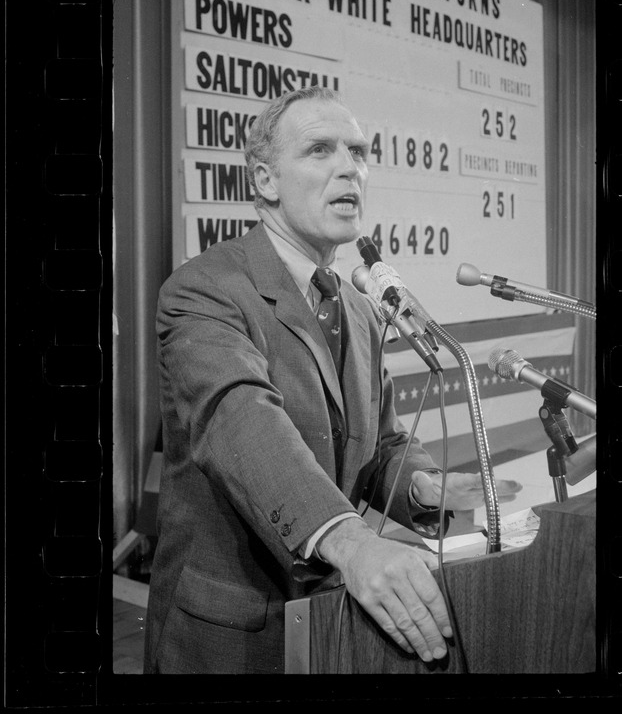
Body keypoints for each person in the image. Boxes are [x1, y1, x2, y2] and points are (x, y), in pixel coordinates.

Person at [144, 86, 519, 674]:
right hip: (235, 637)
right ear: (265, 180)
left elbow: (383, 443)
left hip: (334, 628)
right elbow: (240, 420)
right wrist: (352, 543)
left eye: (359, 153)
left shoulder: (363, 310)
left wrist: (422, 486)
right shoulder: (204, 289)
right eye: (321, 150)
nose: (350, 168)